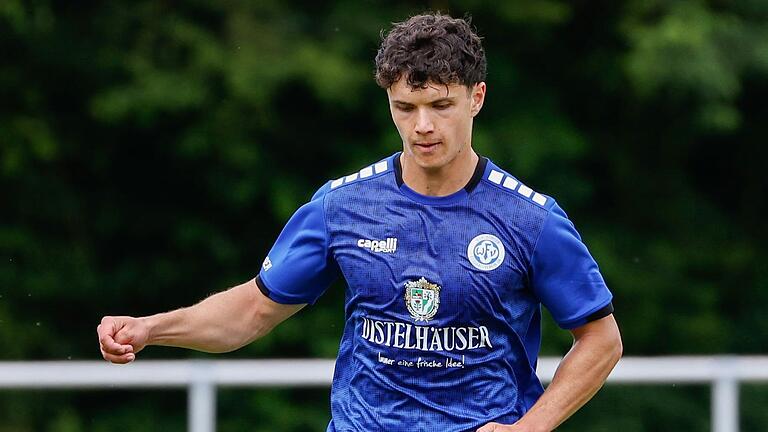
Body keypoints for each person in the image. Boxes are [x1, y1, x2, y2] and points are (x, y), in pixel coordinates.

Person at [98, 12, 622, 432]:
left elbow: (601, 340)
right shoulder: (341, 206)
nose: (422, 126)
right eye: (405, 106)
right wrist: (152, 328)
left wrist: (530, 429)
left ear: (476, 98)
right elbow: (252, 312)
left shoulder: (530, 219)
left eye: (441, 105)